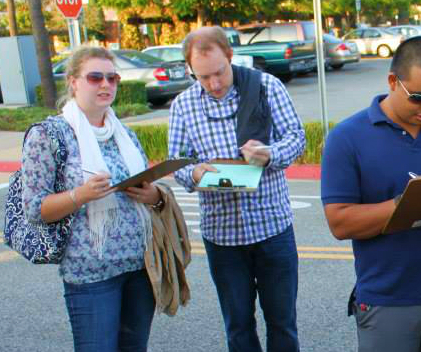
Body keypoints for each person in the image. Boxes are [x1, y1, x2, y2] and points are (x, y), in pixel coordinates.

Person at [320, 36, 421, 352]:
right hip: (386, 300)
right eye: (420, 97)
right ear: (393, 81)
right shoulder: (347, 137)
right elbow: (339, 223)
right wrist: (404, 204)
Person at [168, 26, 306, 352]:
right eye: (203, 78)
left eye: (219, 73)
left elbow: (296, 137)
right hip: (223, 236)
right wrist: (194, 173)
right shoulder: (183, 105)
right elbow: (177, 162)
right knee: (238, 326)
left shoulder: (266, 87)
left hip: (272, 227)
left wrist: (270, 153)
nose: (214, 85)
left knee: (283, 324)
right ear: (191, 71)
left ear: (231, 56)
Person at [20, 46, 163, 351]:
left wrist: (152, 195)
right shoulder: (48, 135)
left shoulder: (123, 133)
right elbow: (34, 209)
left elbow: (152, 200)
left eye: (113, 78)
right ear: (73, 82)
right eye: (95, 77)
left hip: (139, 268)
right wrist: (79, 195)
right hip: (90, 274)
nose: (106, 85)